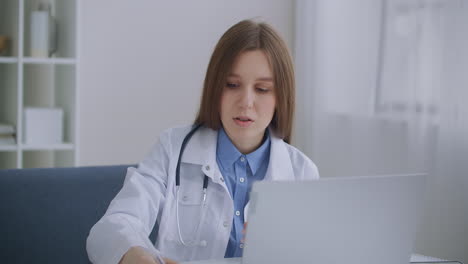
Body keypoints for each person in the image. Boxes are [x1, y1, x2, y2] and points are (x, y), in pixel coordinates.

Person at [86, 19, 319, 264]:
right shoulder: (172, 149)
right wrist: (136, 255)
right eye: (232, 85)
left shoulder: (301, 171)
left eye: (262, 89)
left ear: (282, 97)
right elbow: (111, 227)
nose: (246, 102)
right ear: (215, 88)